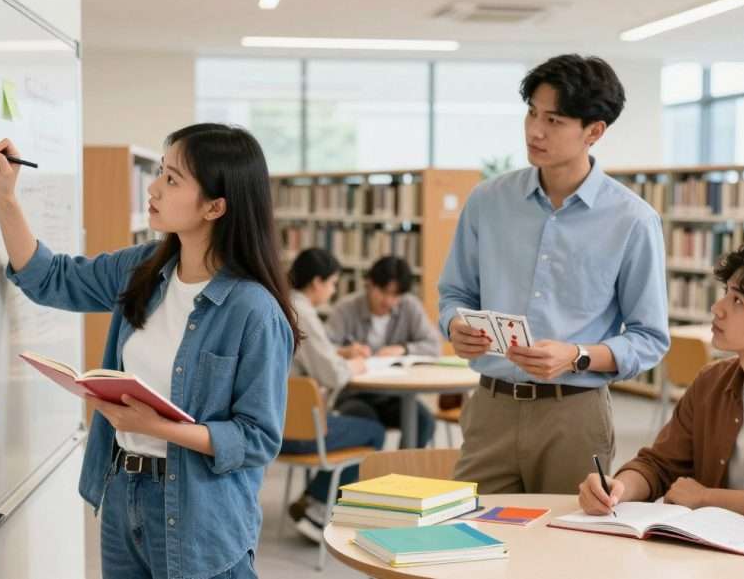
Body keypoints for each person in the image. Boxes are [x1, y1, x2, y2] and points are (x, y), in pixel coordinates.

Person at [0, 124, 298, 579]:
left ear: (215, 206)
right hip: (123, 493)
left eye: (172, 180)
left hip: (200, 516)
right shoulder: (143, 268)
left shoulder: (254, 311)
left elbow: (256, 439)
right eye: (159, 174)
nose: (153, 188)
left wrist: (157, 427)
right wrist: (5, 199)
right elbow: (50, 278)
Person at [439, 54, 670, 494]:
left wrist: (577, 355)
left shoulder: (633, 220)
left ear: (594, 131)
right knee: (470, 550)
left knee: (570, 553)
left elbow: (649, 338)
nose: (534, 131)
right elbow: (455, 292)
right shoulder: (488, 201)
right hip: (491, 406)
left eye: (554, 119)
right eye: (531, 113)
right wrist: (455, 323)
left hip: (575, 415)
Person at [579, 241, 744, 578]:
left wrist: (704, 497)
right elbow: (658, 464)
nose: (717, 308)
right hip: (714, 559)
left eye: (737, 301)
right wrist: (617, 489)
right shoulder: (712, 381)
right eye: (725, 293)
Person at [282, 247, 386, 542]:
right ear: (317, 282)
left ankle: (312, 498)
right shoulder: (302, 311)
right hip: (297, 432)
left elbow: (309, 355)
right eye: (333, 283)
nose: (333, 290)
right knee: (374, 432)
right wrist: (355, 363)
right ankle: (317, 510)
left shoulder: (282, 303)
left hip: (273, 425)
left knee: (359, 415)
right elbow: (333, 375)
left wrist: (339, 353)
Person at [327, 255, 442, 448]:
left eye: (396, 295)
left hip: (396, 396)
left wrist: (403, 349)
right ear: (370, 284)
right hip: (354, 395)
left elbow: (434, 345)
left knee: (424, 422)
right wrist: (346, 352)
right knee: (366, 424)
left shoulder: (409, 306)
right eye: (383, 292)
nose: (389, 301)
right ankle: (366, 476)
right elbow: (322, 350)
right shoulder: (345, 309)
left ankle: (400, 476)